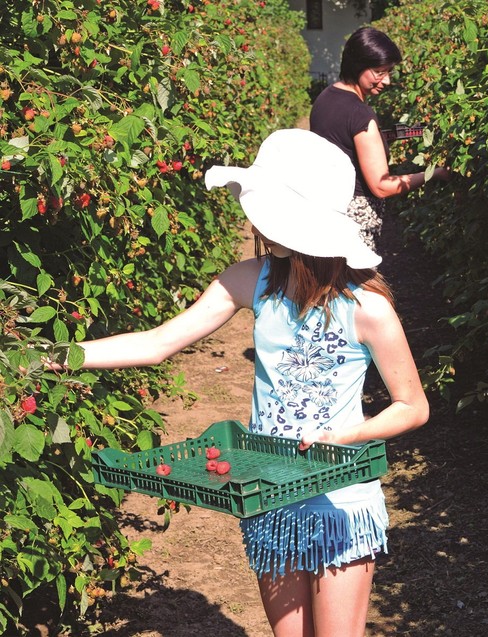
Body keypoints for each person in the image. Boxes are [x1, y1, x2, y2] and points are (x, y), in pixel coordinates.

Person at [70, 129, 430, 637]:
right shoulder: (252, 280)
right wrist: (63, 357)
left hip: (341, 498)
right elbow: (158, 343)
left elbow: (412, 406)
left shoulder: (369, 309)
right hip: (267, 491)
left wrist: (342, 437)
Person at [310, 26, 451, 249]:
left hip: (324, 208)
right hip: (354, 221)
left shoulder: (325, 97)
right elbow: (381, 186)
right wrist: (432, 174)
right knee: (354, 283)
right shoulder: (360, 114)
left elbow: (341, 142)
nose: (385, 81)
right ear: (358, 65)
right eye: (379, 72)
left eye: (389, 72)